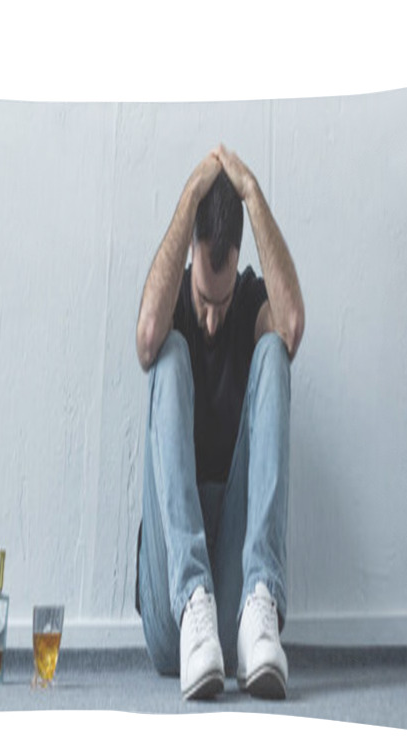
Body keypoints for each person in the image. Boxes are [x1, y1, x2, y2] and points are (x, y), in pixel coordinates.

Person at [134, 143, 304, 701]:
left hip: (233, 615)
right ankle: (192, 598)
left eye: (223, 301)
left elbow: (293, 327)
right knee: (171, 351)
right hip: (177, 622)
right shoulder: (177, 306)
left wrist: (252, 195)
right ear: (191, 273)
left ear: (237, 269)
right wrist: (190, 196)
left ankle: (261, 600)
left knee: (275, 352)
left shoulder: (251, 298)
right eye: (203, 299)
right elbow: (145, 337)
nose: (211, 320)